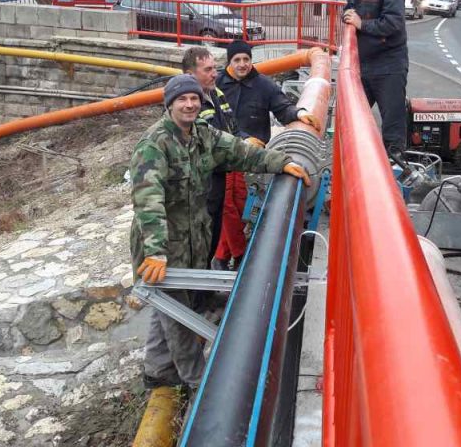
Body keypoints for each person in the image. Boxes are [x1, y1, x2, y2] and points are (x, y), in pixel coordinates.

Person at [130, 75, 311, 392]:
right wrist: (155, 251)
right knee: (177, 314)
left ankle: (157, 370)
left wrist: (282, 163)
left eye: (194, 99)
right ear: (169, 104)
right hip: (161, 243)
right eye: (182, 100)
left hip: (192, 238)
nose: (189, 105)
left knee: (169, 303)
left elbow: (241, 152)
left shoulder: (203, 135)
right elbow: (149, 201)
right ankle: (199, 382)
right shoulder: (154, 145)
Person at [212, 40, 321, 270]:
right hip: (225, 155)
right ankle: (233, 255)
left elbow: (282, 108)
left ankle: (227, 255)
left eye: (246, 59)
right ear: (229, 62)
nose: (242, 64)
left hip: (255, 159)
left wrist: (299, 113)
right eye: (237, 60)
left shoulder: (263, 85)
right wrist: (240, 139)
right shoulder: (217, 86)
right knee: (229, 206)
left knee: (241, 207)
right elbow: (215, 122)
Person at [180, 47, 249, 262]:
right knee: (197, 247)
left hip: (217, 183)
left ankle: (205, 291)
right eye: (208, 70)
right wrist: (250, 154)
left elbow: (232, 128)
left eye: (215, 68)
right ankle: (196, 293)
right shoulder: (188, 106)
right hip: (200, 190)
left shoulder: (216, 94)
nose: (215, 74)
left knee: (212, 240)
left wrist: (246, 140)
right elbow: (211, 145)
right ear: (191, 75)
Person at [343, 0, 409, 157]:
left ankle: (396, 168)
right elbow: (351, 5)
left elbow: (394, 22)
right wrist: (348, 13)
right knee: (353, 116)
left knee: (392, 121)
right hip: (363, 61)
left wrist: (362, 24)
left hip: (389, 63)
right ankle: (355, 161)